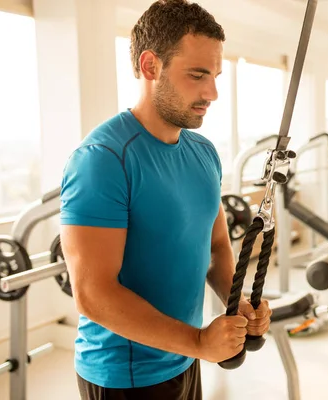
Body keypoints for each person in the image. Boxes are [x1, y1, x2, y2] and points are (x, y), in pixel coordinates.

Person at [59, 1, 272, 399]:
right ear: (150, 66)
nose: (212, 92)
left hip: (183, 357)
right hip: (124, 377)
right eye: (197, 75)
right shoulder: (103, 160)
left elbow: (216, 245)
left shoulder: (204, 152)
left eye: (215, 76)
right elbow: (93, 294)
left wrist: (236, 302)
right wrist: (197, 342)